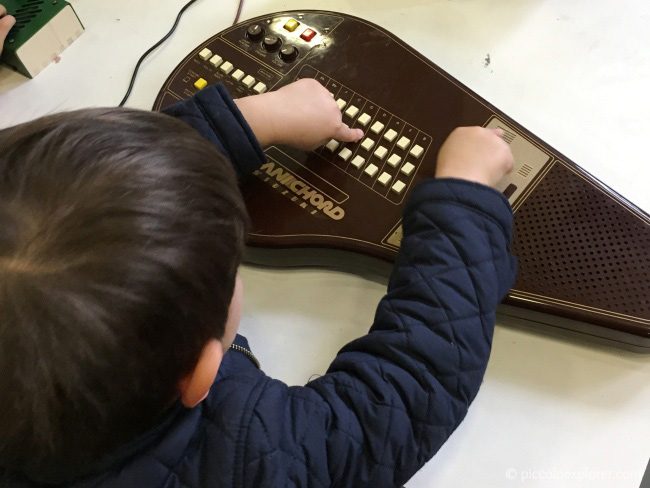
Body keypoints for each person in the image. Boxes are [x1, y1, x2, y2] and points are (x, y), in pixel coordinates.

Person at [0, 75, 516, 487]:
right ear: (203, 373)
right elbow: (406, 392)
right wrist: (464, 199)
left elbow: (82, 195)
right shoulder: (254, 461)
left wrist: (248, 120)